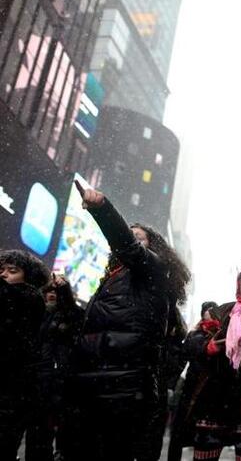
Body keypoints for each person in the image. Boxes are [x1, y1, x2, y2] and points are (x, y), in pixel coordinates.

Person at [64, 182, 191, 461]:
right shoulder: (112, 279)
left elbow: (128, 247)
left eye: (138, 238)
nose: (130, 242)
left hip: (122, 388)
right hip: (91, 386)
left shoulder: (154, 270)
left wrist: (102, 209)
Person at [190, 264, 241, 461]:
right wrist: (206, 347)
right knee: (205, 446)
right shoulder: (225, 312)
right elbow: (193, 341)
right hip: (218, 391)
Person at [26, 274, 85, 461]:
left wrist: (64, 292)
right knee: (38, 431)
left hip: (62, 379)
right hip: (40, 378)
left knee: (64, 428)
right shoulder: (37, 315)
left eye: (55, 291)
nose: (52, 294)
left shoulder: (73, 315)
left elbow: (75, 316)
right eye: (49, 291)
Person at [0, 249, 49, 459]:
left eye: (12, 270)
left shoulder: (28, 297)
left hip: (12, 387)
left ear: (28, 277)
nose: (4, 274)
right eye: (1, 270)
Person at [167, 302, 220, 461]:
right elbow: (185, 357)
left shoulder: (222, 333)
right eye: (206, 311)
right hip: (192, 387)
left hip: (210, 390)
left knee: (204, 436)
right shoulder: (195, 334)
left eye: (212, 311)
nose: (209, 313)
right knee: (179, 431)